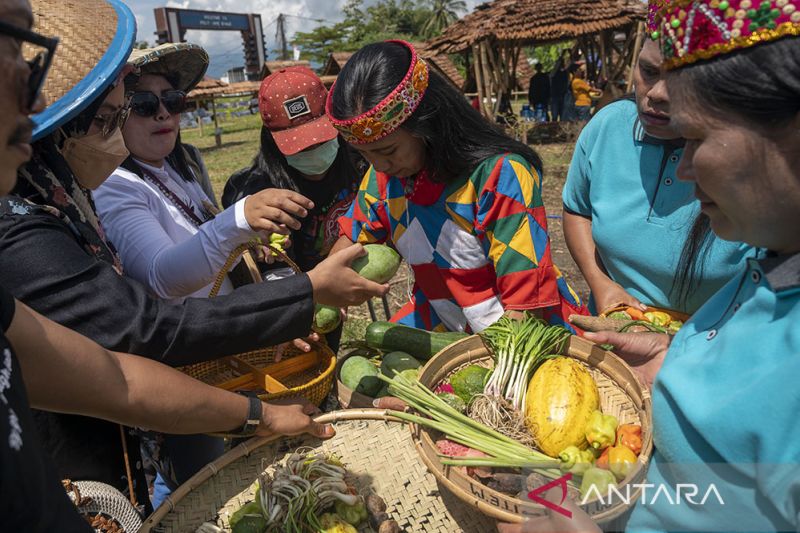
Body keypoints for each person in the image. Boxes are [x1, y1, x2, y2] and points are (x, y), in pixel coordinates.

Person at [0, 0, 386, 510]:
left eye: (172, 101)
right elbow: (144, 325)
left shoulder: (100, 187)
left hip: (179, 391)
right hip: (101, 457)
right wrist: (302, 288)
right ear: (61, 129)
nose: (157, 116)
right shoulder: (28, 223)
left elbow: (116, 377)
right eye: (123, 113)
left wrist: (272, 331)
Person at [500, 1, 800, 531]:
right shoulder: (768, 276)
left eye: (699, 139)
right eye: (648, 71)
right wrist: (675, 351)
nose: (683, 167)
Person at [327, 40, 587, 334]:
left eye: (388, 151)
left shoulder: (500, 176)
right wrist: (323, 295)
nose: (379, 165)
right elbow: (351, 240)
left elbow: (527, 307)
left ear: (428, 124)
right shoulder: (383, 179)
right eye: (364, 154)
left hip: (524, 334)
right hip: (445, 321)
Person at [561, 37, 753, 315]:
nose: (658, 94)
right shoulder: (608, 126)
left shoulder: (759, 165)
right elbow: (577, 210)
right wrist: (601, 283)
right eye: (649, 72)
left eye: (682, 79)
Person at [550, 50, 571, 121]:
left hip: (563, 96)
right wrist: (561, 56)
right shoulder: (553, 73)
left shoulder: (565, 73)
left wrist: (570, 55)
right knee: (555, 116)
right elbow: (556, 66)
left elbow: (570, 64)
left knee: (563, 116)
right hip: (555, 96)